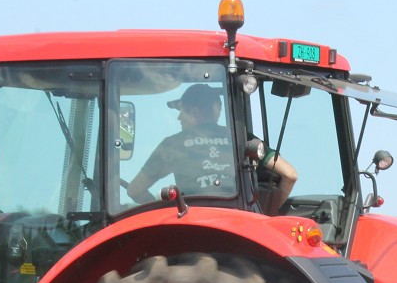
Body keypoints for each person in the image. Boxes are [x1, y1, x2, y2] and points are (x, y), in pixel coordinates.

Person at [127, 84, 296, 212]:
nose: (179, 118)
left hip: (192, 229)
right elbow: (290, 174)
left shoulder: (173, 144)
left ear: (196, 111)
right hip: (240, 226)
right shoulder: (245, 140)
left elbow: (135, 190)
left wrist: (165, 211)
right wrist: (266, 213)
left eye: (183, 111)